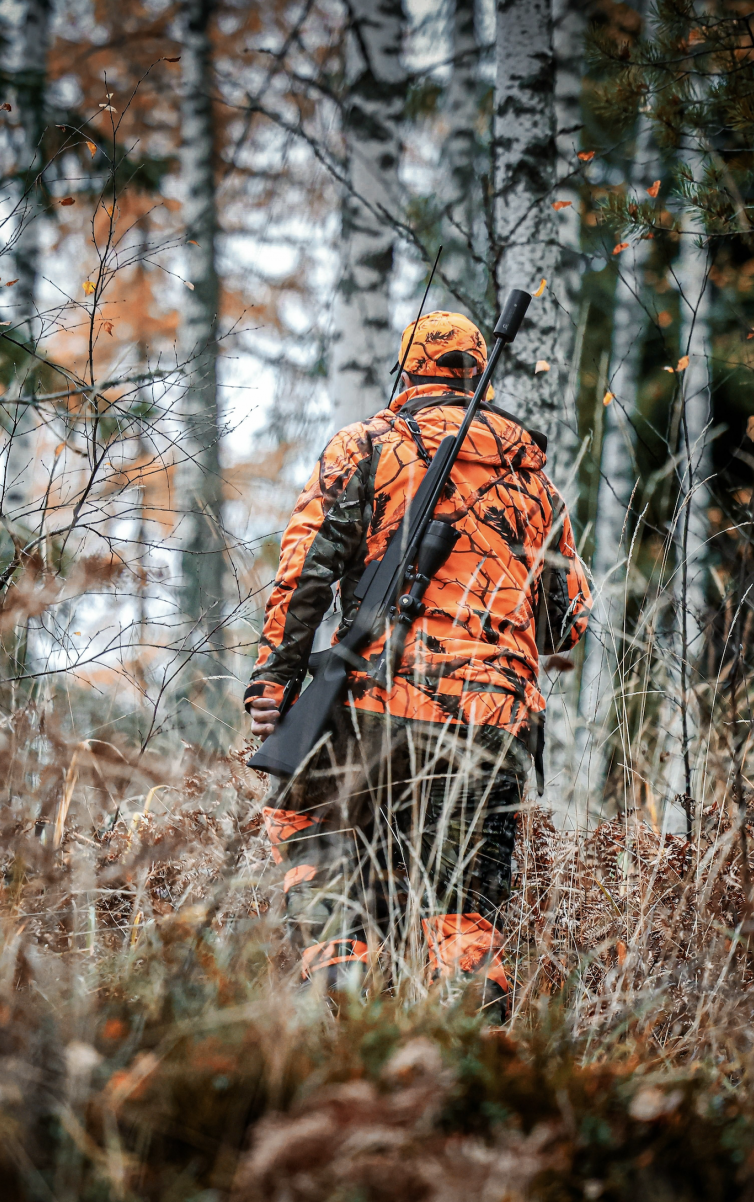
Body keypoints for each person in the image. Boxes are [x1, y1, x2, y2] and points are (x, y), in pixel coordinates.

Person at [243, 309, 590, 1018]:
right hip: (494, 724)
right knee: (462, 915)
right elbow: (565, 626)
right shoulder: (536, 482)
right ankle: (473, 1051)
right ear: (477, 377)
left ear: (405, 373)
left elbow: (305, 574)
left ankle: (339, 981)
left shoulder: (366, 446)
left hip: (377, 706)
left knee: (306, 824)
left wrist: (273, 679)